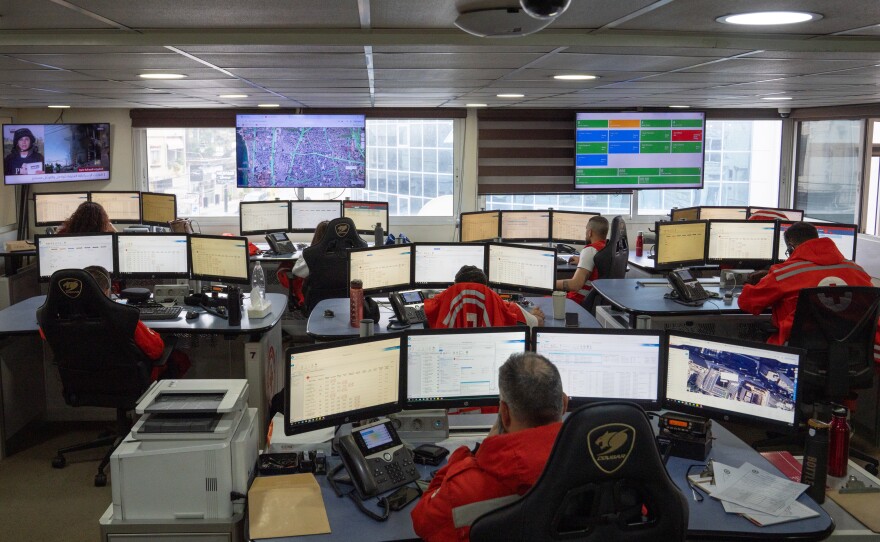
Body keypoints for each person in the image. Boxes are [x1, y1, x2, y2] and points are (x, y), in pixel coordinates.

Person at [411, 352, 568, 542]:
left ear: (504, 413)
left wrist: (469, 457)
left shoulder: (461, 488)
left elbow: (421, 522)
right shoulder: (589, 461)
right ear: (564, 404)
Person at [739, 221, 878, 354]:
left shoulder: (784, 273)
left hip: (796, 353)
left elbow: (747, 303)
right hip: (852, 356)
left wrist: (752, 282)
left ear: (791, 248)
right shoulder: (858, 271)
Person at [84, 265, 189, 380]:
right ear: (105, 291)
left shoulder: (68, 318)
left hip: (83, 383)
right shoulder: (123, 316)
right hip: (127, 382)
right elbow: (156, 350)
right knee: (181, 359)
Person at [423, 265, 544, 328]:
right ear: (488, 289)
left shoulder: (437, 306)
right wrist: (533, 315)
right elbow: (538, 323)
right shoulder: (507, 308)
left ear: (454, 287)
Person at [276, 220, 330, 311]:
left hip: (316, 298)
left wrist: (302, 255)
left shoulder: (310, 254)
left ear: (316, 235)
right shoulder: (345, 253)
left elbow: (296, 271)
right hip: (340, 297)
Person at [555, 215, 609, 305]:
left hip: (577, 301)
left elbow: (575, 285)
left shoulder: (590, 250)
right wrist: (582, 261)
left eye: (586, 229)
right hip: (593, 300)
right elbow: (597, 267)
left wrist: (550, 283)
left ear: (589, 232)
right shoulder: (606, 248)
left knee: (540, 302)